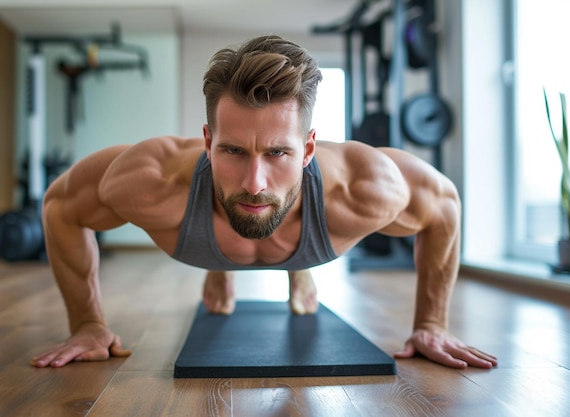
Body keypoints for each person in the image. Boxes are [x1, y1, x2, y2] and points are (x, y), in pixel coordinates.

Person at [30, 35, 498, 370]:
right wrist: (88, 322)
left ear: (309, 149)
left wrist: (431, 323)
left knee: (259, 205)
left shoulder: (361, 188)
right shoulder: (151, 180)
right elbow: (60, 206)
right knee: (256, 204)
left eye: (278, 152)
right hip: (213, 220)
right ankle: (227, 262)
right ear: (208, 142)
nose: (254, 181)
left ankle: (298, 265)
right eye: (233, 151)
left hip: (311, 220)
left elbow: (444, 205)